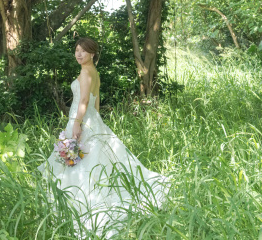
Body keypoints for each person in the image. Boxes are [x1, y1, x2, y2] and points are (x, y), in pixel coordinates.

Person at [39, 37, 169, 238]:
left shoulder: (85, 73)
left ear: (92, 54)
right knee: (92, 159)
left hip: (81, 120)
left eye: (83, 51)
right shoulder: (94, 72)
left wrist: (76, 123)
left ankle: (80, 203)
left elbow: (83, 100)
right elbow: (96, 102)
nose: (78, 54)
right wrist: (94, 120)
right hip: (91, 119)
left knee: (81, 161)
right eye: (76, 50)